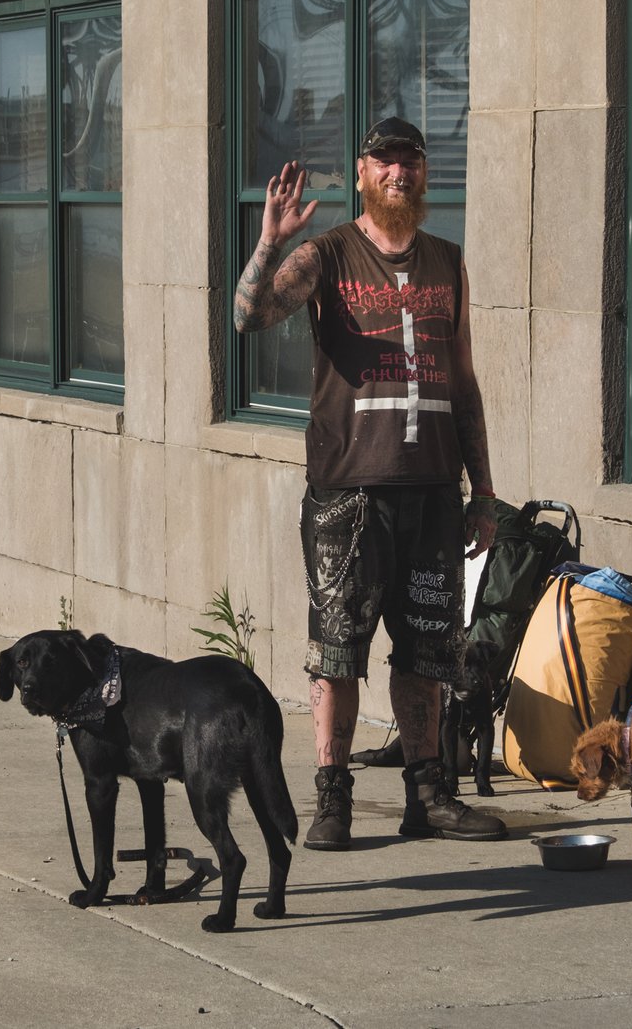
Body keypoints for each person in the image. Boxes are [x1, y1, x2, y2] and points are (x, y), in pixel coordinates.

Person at [233, 116, 504, 851]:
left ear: (424, 173)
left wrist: (482, 488)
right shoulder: (327, 255)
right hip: (348, 497)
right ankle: (334, 798)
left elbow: (465, 381)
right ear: (361, 173)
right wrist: (271, 241)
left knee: (427, 652)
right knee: (338, 652)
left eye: (410, 162)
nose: (398, 174)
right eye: (384, 162)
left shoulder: (448, 262)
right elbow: (247, 315)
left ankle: (428, 793)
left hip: (433, 496)